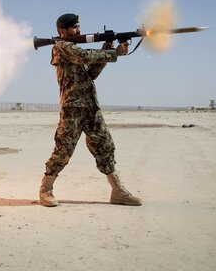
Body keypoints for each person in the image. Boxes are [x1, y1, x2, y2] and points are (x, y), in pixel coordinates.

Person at [39, 13, 142, 207]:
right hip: (72, 108)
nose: (78, 30)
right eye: (74, 27)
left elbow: (91, 74)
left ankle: (118, 191)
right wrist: (113, 54)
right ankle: (46, 189)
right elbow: (83, 56)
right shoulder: (61, 47)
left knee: (105, 146)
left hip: (90, 107)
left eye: (78, 26)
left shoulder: (73, 48)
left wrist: (107, 49)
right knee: (64, 150)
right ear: (62, 30)